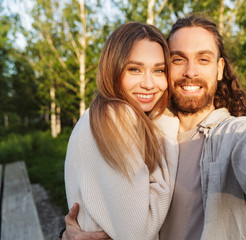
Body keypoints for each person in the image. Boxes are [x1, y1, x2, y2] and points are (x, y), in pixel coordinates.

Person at [62, 2, 246, 239]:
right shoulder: (141, 130)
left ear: (219, 69)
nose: (191, 71)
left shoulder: (232, 136)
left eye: (203, 59)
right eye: (178, 59)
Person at [64, 22, 180, 240]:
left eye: (159, 70)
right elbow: (138, 233)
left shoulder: (97, 114)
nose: (149, 83)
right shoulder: (118, 116)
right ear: (113, 69)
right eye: (134, 69)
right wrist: (165, 130)